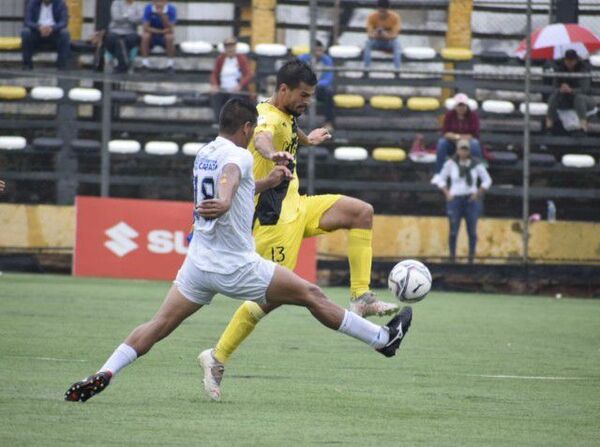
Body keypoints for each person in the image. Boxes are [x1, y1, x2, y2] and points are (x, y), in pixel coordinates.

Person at [64, 98, 413, 403]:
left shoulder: (205, 152)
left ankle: (106, 371)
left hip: (199, 264)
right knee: (311, 294)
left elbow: (236, 181)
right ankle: (383, 339)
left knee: (158, 324)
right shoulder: (238, 156)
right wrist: (229, 197)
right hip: (236, 264)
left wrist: (265, 183)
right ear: (246, 127)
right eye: (253, 128)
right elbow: (232, 176)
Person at [196, 60, 399, 401]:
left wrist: (308, 140)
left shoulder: (286, 115)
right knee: (267, 300)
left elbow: (287, 131)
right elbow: (263, 137)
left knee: (361, 212)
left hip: (298, 205)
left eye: (310, 96)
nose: (307, 101)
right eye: (303, 95)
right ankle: (216, 357)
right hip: (275, 221)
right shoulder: (265, 119)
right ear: (284, 90)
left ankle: (361, 296)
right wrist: (271, 153)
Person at [434, 139, 492, 263]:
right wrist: (447, 193)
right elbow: (441, 179)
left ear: (469, 151)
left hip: (471, 198)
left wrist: (479, 193)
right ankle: (452, 257)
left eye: (466, 149)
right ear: (458, 150)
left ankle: (471, 258)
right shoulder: (450, 164)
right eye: (461, 149)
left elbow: (487, 180)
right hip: (455, 199)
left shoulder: (476, 164)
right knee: (454, 230)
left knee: (472, 231)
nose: (463, 152)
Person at [431, 93, 483, 185]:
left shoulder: (473, 116)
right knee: (441, 143)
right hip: (452, 143)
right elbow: (445, 133)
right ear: (455, 106)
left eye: (463, 105)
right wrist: (458, 137)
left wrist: (457, 136)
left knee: (475, 143)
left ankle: (477, 171)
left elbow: (473, 134)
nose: (461, 108)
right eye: (459, 105)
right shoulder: (449, 115)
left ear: (466, 106)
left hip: (467, 144)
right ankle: (439, 174)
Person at [545, 49, 596, 132]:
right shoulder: (560, 69)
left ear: (576, 60)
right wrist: (561, 89)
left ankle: (583, 126)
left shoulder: (583, 70)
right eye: (567, 60)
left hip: (584, 100)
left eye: (572, 60)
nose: (569, 63)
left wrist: (571, 90)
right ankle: (549, 125)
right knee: (554, 97)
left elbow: (585, 89)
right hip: (565, 99)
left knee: (579, 98)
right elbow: (554, 87)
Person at [210, 37, 254, 122]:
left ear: (235, 47)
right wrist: (215, 85)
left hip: (237, 90)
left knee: (233, 99)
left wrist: (240, 85)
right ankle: (218, 121)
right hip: (222, 89)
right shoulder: (221, 59)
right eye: (227, 47)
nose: (230, 49)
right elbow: (214, 73)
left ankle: (231, 124)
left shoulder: (241, 59)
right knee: (215, 97)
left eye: (232, 46)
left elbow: (249, 74)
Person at [21, 0, 71, 70]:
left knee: (65, 34)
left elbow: (64, 22)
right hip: (37, 32)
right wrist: (39, 27)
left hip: (54, 33)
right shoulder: (32, 3)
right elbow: (28, 21)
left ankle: (62, 66)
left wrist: (52, 28)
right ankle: (27, 65)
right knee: (25, 32)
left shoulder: (60, 3)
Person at [298, 40, 335, 130]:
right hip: (304, 88)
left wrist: (315, 85)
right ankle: (295, 119)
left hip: (319, 88)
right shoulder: (302, 59)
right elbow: (298, 76)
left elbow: (328, 79)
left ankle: (328, 123)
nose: (319, 53)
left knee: (329, 94)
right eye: (316, 50)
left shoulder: (327, 60)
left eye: (320, 50)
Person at [104, 0, 143, 73]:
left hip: (131, 32)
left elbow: (141, 19)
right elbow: (116, 18)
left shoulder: (138, 4)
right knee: (116, 40)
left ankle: (121, 66)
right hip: (115, 30)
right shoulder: (116, 3)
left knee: (129, 40)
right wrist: (131, 17)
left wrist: (125, 16)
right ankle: (124, 65)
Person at [363, 0, 401, 72]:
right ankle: (366, 68)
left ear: (388, 9)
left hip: (389, 42)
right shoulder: (371, 17)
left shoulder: (395, 17)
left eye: (384, 12)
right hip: (376, 40)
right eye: (380, 11)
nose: (382, 14)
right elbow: (369, 34)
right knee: (367, 43)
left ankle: (397, 69)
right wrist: (376, 33)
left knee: (397, 44)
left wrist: (386, 35)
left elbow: (395, 35)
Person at [140, 0, 176, 72]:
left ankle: (170, 64)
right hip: (152, 35)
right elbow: (146, 27)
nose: (159, 4)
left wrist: (164, 17)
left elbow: (171, 29)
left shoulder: (171, 9)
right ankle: (145, 64)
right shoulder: (149, 8)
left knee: (170, 37)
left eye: (162, 1)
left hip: (164, 35)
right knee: (145, 36)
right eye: (156, 1)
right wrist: (160, 31)